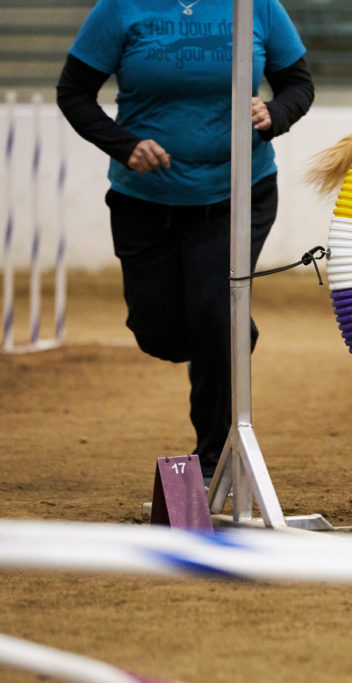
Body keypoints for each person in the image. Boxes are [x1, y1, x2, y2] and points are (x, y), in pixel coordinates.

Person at [56, 0, 315, 484]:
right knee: (159, 333)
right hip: (144, 200)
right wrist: (124, 145)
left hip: (238, 193)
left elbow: (298, 84)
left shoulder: (256, 6)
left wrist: (274, 113)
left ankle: (213, 457)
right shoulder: (121, 8)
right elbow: (73, 93)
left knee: (214, 314)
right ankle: (232, 334)